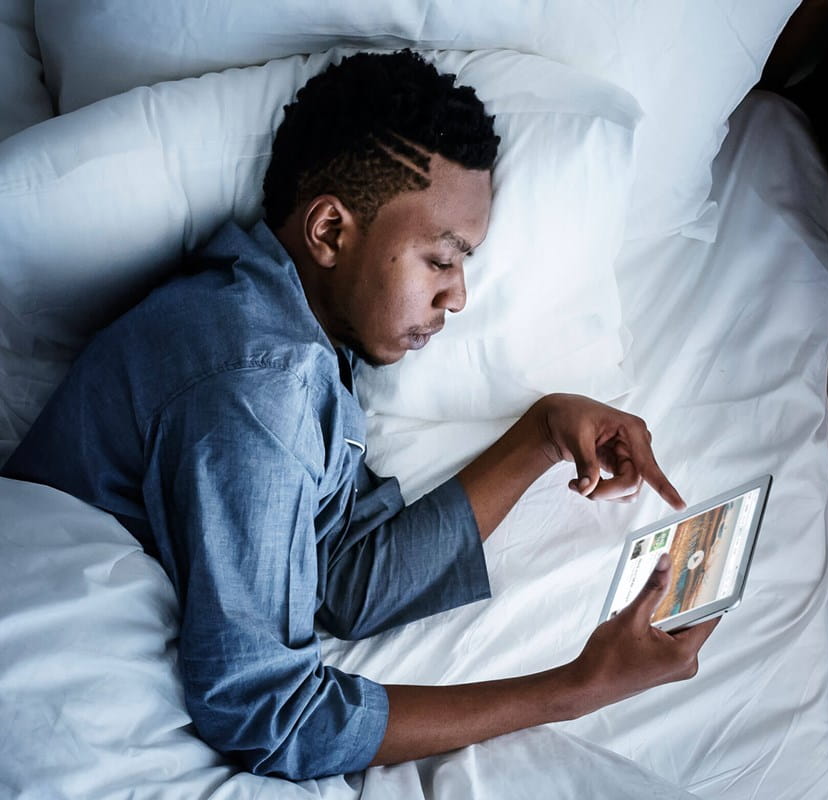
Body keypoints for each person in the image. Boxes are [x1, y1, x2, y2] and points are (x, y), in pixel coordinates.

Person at [1, 50, 719, 780]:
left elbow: (343, 579)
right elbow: (267, 716)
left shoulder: (290, 333)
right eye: (441, 260)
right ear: (331, 234)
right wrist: (574, 690)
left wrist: (541, 434)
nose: (460, 296)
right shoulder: (262, 390)